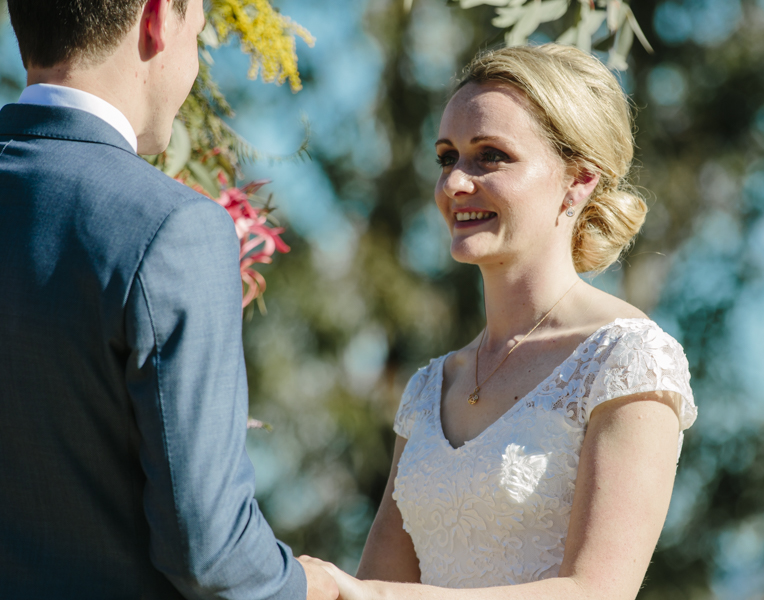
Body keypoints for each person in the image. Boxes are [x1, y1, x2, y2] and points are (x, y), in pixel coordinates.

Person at [304, 44, 698, 599]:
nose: (454, 184)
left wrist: (377, 596)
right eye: (447, 157)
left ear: (579, 179)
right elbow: (370, 585)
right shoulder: (429, 388)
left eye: (490, 156)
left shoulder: (628, 360)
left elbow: (596, 592)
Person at [0, 1, 336, 599]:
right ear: (156, 19)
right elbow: (210, 552)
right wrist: (307, 585)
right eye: (198, 34)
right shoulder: (171, 228)